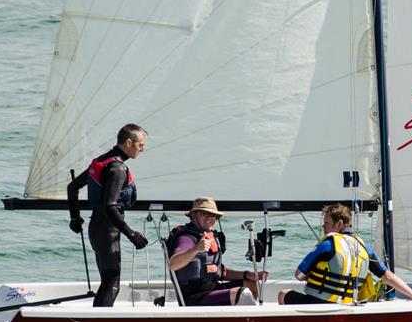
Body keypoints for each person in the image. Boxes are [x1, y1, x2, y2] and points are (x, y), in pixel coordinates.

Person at [278, 203, 412, 305]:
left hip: (317, 303)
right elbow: (387, 276)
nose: (323, 226)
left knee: (283, 293)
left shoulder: (327, 244)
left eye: (326, 222)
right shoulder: (364, 247)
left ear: (339, 224)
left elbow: (298, 275)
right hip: (346, 305)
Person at [67, 124, 149, 307]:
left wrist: (74, 218)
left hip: (95, 228)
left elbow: (72, 188)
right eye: (140, 145)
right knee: (112, 284)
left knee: (108, 281)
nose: (142, 150)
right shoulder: (117, 169)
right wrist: (132, 235)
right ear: (129, 142)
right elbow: (110, 206)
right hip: (107, 231)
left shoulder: (101, 161)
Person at [168, 197, 266, 306]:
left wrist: (247, 274)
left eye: (213, 215)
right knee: (241, 294)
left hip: (212, 288)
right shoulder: (186, 238)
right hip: (194, 297)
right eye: (204, 213)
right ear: (193, 215)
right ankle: (252, 321)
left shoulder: (209, 236)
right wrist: (196, 249)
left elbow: (220, 271)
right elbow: (173, 264)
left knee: (252, 285)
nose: (210, 218)